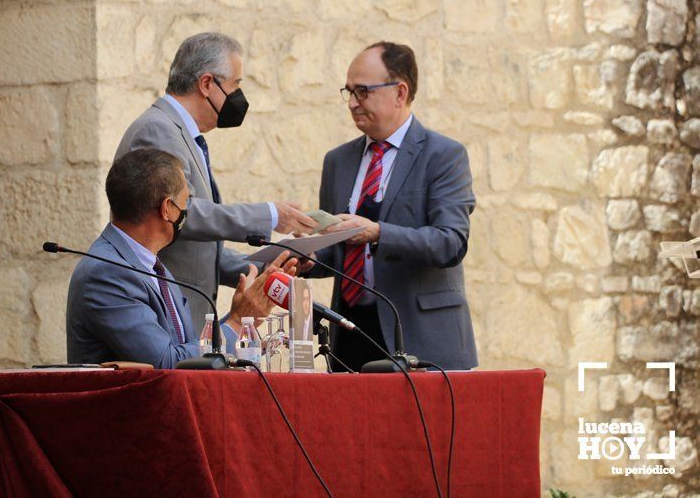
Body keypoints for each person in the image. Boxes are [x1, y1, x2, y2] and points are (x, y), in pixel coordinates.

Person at [114, 32, 318, 337]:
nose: (239, 95)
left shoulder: (183, 133)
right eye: (235, 84)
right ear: (207, 83)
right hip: (164, 316)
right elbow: (182, 214)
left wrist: (272, 261)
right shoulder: (158, 130)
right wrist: (272, 216)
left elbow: (200, 251)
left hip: (189, 315)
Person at [309, 42, 478, 371]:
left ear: (400, 92)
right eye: (349, 91)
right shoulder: (337, 161)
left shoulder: (443, 156)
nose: (353, 103)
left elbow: (450, 242)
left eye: (363, 91)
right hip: (351, 335)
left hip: (420, 338)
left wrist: (376, 233)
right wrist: (305, 256)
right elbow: (336, 253)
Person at [66, 149, 296, 368]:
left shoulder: (151, 263)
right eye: (185, 203)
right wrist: (236, 324)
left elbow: (186, 349)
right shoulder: (107, 272)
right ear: (167, 208)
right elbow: (165, 363)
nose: (186, 213)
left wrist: (241, 326)